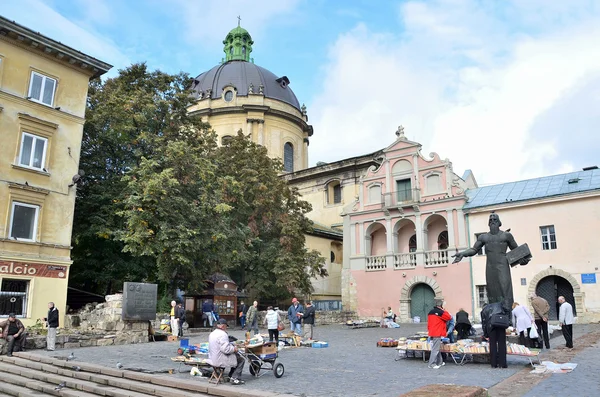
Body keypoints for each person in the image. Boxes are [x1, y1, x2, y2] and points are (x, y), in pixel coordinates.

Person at [453, 213, 530, 309]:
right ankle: (494, 313)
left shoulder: (507, 236)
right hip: (490, 267)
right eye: (490, 220)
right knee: (492, 290)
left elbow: (517, 251)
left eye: (495, 219)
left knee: (505, 289)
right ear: (488, 223)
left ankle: (507, 313)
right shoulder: (483, 237)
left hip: (503, 266)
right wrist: (462, 254)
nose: (492, 221)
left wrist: (524, 260)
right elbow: (474, 249)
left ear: (499, 222)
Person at [208, 318, 245, 385]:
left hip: (212, 357)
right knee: (241, 359)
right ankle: (234, 378)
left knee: (236, 357)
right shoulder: (223, 334)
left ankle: (230, 376)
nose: (226, 328)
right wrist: (234, 349)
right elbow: (226, 349)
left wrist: (231, 345)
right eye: (226, 327)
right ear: (223, 326)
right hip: (219, 359)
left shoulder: (212, 333)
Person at [481, 302, 509, 368]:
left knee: (492, 345)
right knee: (502, 344)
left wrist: (485, 334)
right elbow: (507, 310)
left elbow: (484, 323)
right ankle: (502, 364)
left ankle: (493, 364)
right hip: (500, 324)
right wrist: (507, 319)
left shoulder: (484, 310)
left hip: (491, 326)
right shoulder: (499, 305)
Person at [427, 299, 451, 369]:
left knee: (436, 347)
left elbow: (429, 323)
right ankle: (431, 364)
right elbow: (449, 317)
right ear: (441, 305)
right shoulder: (441, 312)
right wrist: (444, 310)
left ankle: (440, 362)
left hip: (432, 331)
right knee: (435, 349)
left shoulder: (430, 312)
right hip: (437, 332)